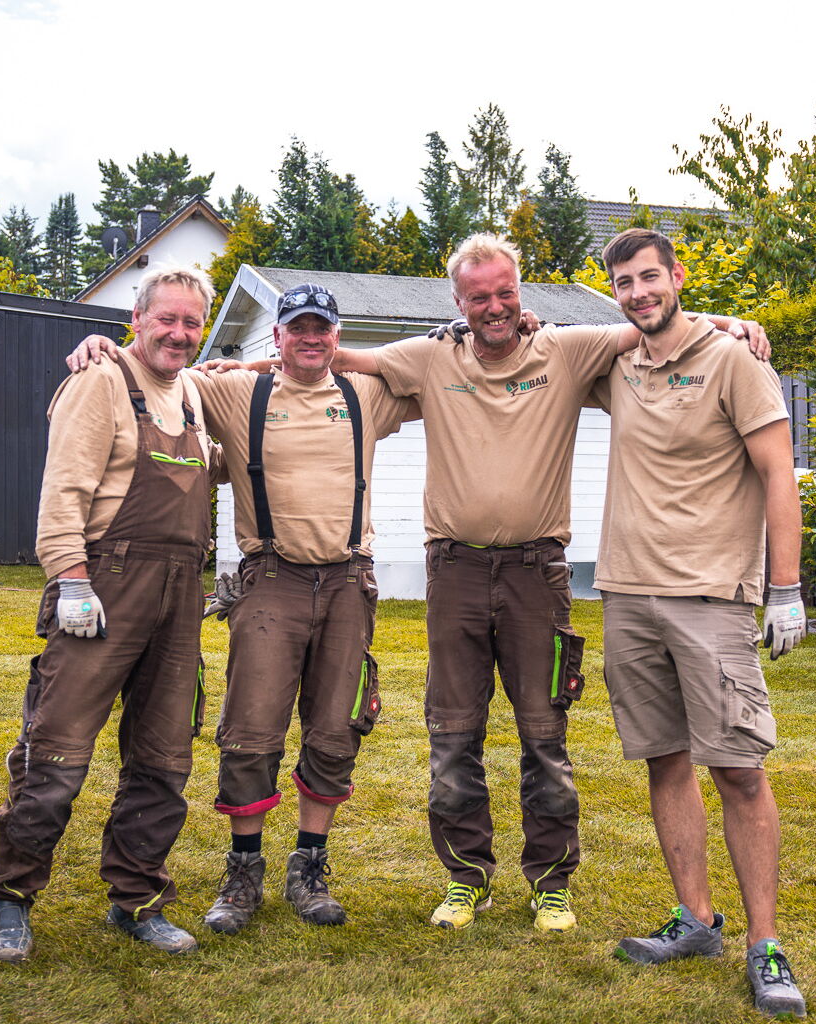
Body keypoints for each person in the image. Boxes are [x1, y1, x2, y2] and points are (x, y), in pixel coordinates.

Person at [329, 234, 770, 933]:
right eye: (480, 297)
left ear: (521, 292)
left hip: (537, 573)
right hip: (455, 570)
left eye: (506, 293)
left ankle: (551, 882)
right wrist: (242, 367)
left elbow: (656, 325)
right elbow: (333, 356)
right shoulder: (430, 357)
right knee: (453, 731)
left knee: (544, 732)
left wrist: (730, 323)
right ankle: (466, 879)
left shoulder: (565, 351)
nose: (495, 306)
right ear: (458, 302)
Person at [67, 284, 415, 935]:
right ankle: (243, 871)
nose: (310, 338)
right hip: (271, 578)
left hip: (349, 581)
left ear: (336, 336)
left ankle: (309, 868)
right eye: (297, 329)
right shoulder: (233, 392)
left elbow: (443, 372)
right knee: (250, 732)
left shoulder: (366, 394)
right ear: (277, 336)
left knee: (335, 731)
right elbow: (158, 369)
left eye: (321, 329)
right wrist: (102, 347)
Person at [590, 228, 807, 1019]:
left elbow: (778, 473)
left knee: (739, 770)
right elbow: (530, 347)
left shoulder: (735, 361)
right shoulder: (617, 363)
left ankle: (765, 945)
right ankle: (695, 922)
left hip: (711, 598)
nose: (639, 293)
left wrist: (786, 589)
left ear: (677, 275)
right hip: (628, 595)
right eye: (624, 283)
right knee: (664, 759)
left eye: (650, 277)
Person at [0, 265, 221, 961]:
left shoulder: (194, 393)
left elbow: (268, 367)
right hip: (104, 587)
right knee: (55, 755)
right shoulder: (101, 380)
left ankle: (137, 899)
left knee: (163, 760)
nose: (179, 333)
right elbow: (62, 492)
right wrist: (71, 580)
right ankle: (10, 899)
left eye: (192, 322)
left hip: (180, 596)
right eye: (166, 318)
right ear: (136, 319)